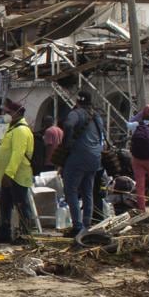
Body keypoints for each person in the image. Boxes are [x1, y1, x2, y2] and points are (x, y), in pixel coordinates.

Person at [59, 92, 105, 237]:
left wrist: (67, 143)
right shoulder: (97, 116)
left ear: (77, 101)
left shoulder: (76, 113)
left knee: (71, 190)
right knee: (88, 191)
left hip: (78, 156)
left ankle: (77, 226)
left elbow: (67, 125)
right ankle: (87, 224)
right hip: (95, 158)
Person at [0, 98, 36, 244]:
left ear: (17, 113)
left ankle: (25, 235)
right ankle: (5, 232)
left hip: (17, 174)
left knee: (21, 204)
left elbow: (18, 154)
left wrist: (9, 174)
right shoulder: (12, 128)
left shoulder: (21, 130)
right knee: (5, 204)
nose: (5, 114)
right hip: (9, 174)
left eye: (8, 112)